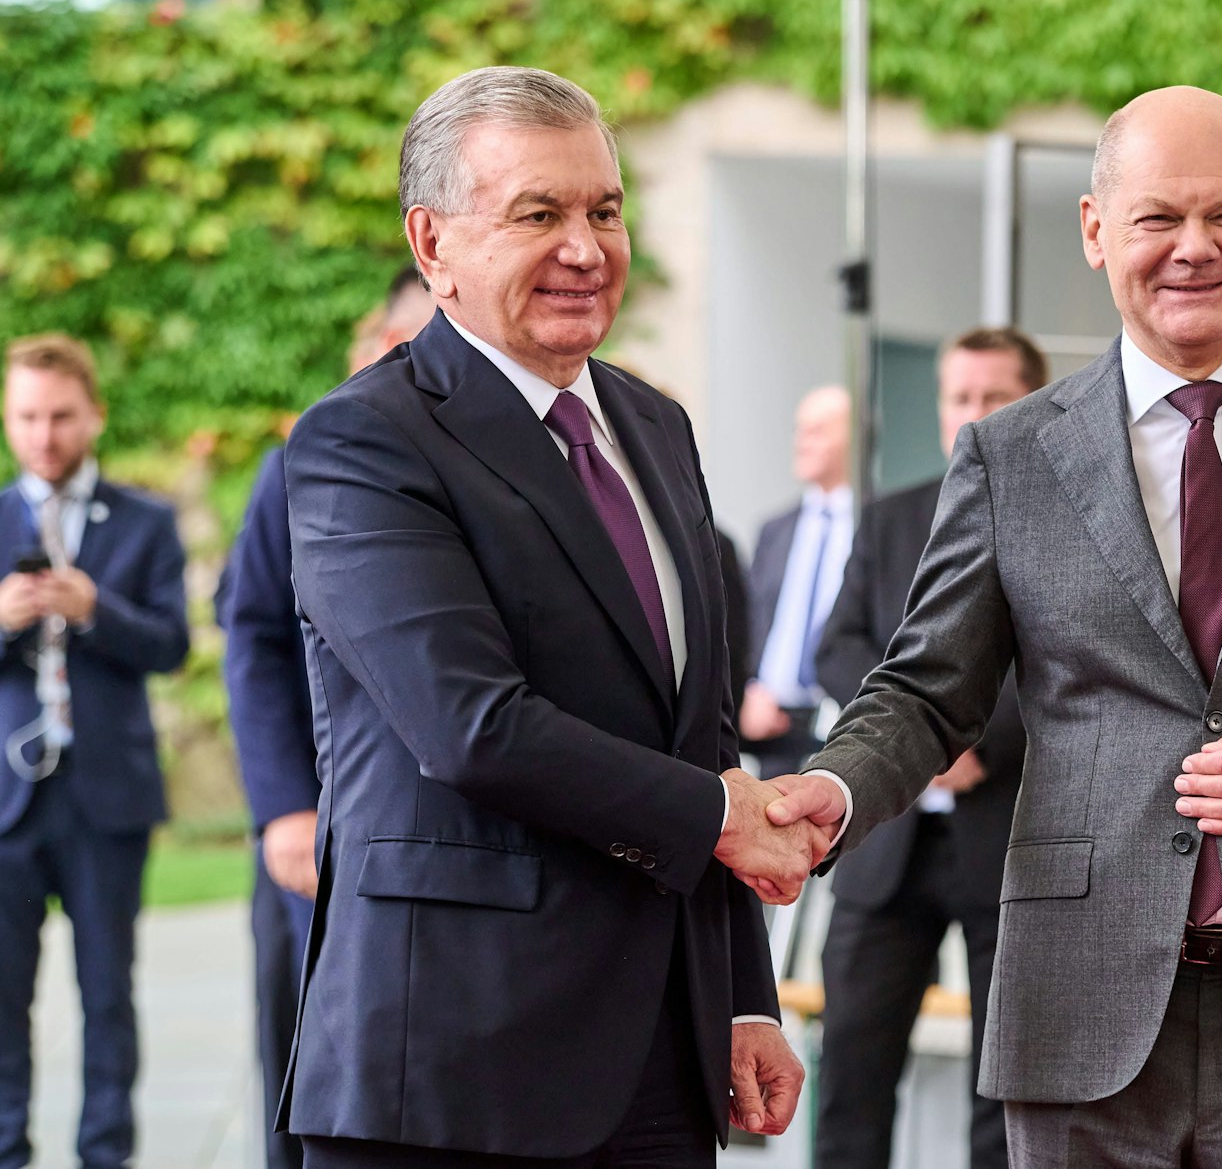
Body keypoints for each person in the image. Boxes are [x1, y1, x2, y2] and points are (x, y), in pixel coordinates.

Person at [750, 86, 1222, 1167]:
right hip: (1079, 1004)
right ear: (1095, 230)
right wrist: (830, 790)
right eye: (1157, 217)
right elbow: (927, 690)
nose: (1193, 247)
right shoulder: (1010, 454)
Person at [279, 66, 818, 1167]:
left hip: (661, 1062)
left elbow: (702, 733)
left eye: (604, 211)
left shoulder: (654, 426)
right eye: (538, 214)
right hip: (452, 1070)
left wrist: (740, 995)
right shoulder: (364, 441)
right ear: (432, 244)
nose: (586, 248)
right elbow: (471, 725)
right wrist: (720, 817)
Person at [812, 327, 1047, 1169]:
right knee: (852, 1073)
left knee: (1004, 1089)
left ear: (1033, 402)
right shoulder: (890, 516)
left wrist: (965, 732)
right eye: (960, 396)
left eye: (994, 396)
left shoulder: (1073, 519)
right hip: (888, 838)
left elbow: (1072, 664)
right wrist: (917, 738)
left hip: (1010, 833)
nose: (973, 413)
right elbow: (837, 647)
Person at [217, 263, 434, 1169]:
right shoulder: (303, 463)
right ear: (383, 343)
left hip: (452, 841)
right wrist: (283, 807)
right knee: (302, 1065)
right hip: (318, 828)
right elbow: (253, 635)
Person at [0, 335, 189, 1169]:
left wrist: (93, 608)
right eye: (27, 417)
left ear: (95, 415)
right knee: (2, 999)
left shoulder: (146, 520)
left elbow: (172, 644)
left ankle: (106, 1155)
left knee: (107, 993)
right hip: (7, 802)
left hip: (107, 797)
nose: (44, 435)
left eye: (61, 416)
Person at [740, 385, 853, 777]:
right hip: (772, 722)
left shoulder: (871, 526)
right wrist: (746, 690)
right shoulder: (775, 529)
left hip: (843, 720)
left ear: (853, 438)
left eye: (818, 431)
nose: (802, 442)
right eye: (799, 430)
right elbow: (747, 622)